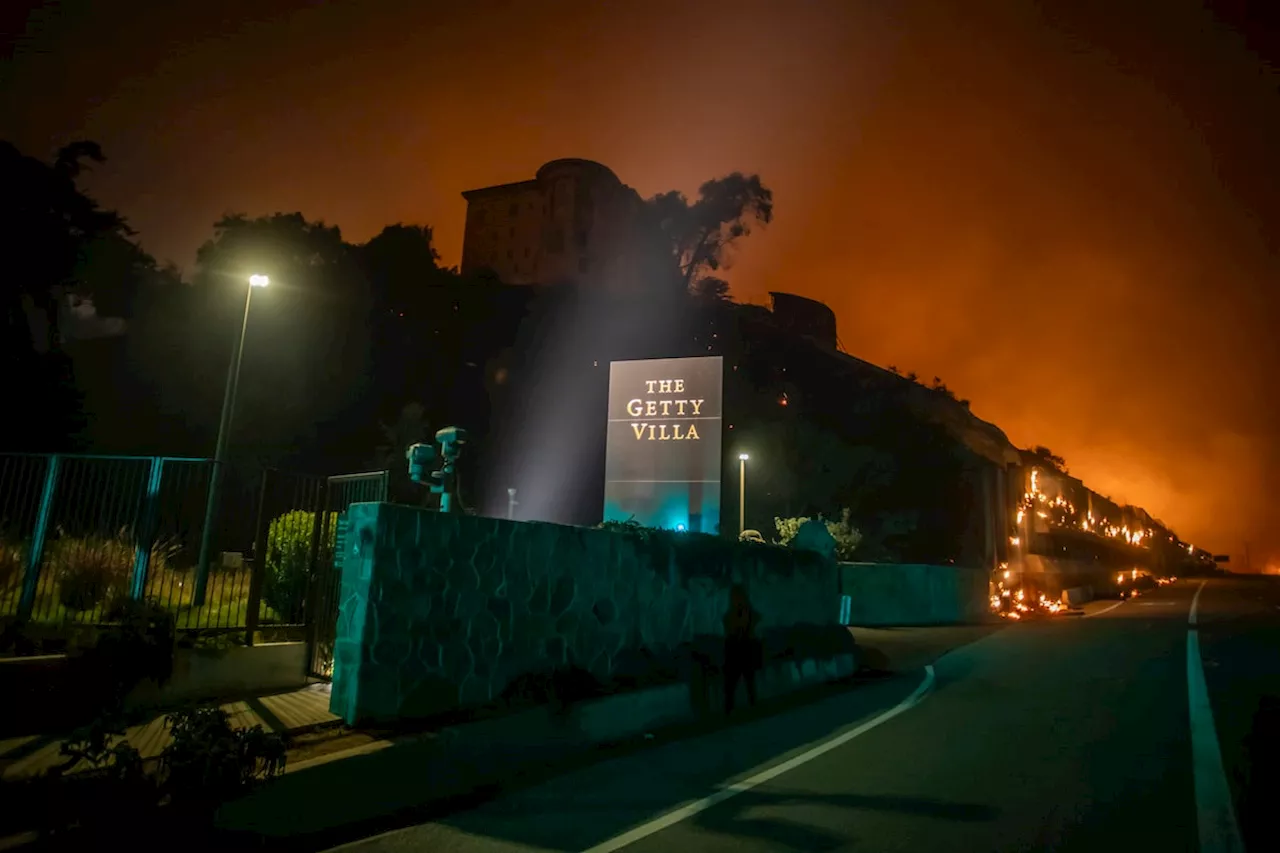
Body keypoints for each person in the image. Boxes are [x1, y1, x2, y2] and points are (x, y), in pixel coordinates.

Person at [723, 583, 762, 713]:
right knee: (740, 680)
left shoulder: (745, 612)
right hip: (739, 649)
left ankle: (735, 706)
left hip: (742, 649)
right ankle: (744, 704)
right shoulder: (734, 614)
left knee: (742, 680)